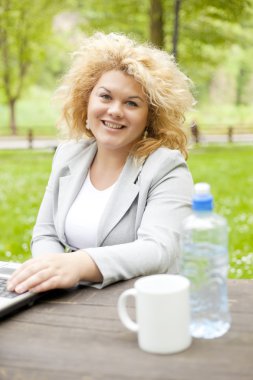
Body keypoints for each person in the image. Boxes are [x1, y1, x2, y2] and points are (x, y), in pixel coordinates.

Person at [7, 32, 194, 294]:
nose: (115, 110)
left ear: (149, 117)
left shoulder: (166, 167)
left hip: (140, 302)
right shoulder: (68, 155)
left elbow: (158, 249)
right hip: (69, 298)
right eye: (105, 97)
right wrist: (48, 274)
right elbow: (45, 234)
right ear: (87, 101)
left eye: (131, 103)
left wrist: (78, 264)